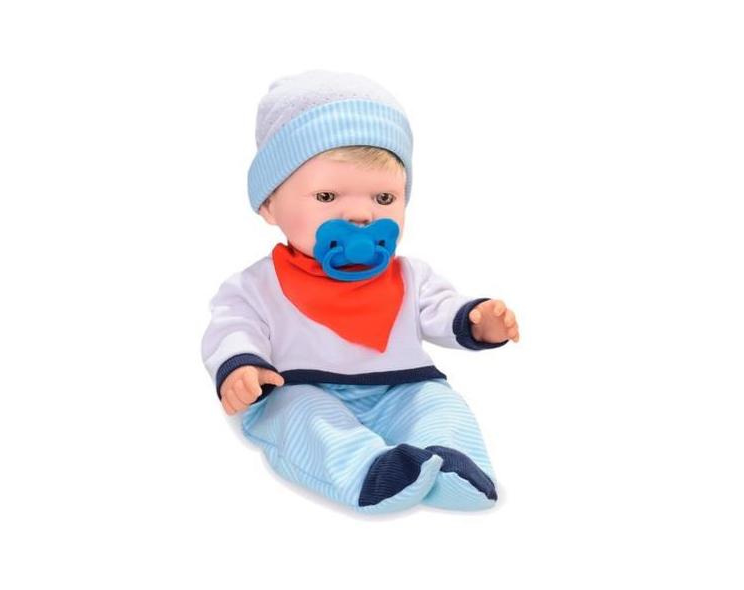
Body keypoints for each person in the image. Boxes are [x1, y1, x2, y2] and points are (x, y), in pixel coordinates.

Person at [201, 69, 520, 514]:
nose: (361, 215)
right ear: (270, 204)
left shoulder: (409, 275)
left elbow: (440, 308)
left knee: (438, 402)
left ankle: (452, 462)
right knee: (305, 422)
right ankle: (368, 473)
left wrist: (476, 321)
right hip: (302, 386)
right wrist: (242, 365)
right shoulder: (257, 284)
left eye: (384, 199)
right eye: (327, 197)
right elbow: (233, 326)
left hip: (399, 387)